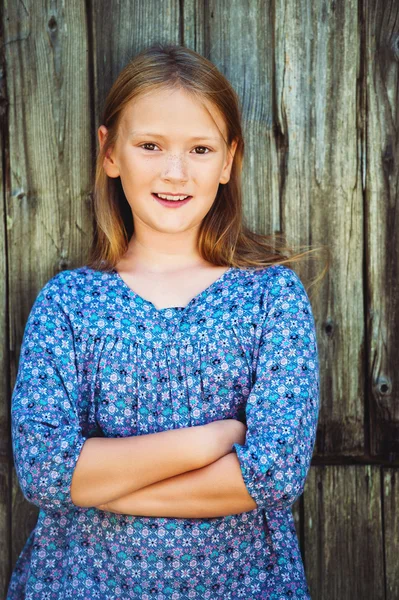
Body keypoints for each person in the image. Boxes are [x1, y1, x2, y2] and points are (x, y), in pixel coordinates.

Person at [7, 43, 322, 599]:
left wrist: (96, 485)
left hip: (243, 584)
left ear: (228, 160)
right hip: (83, 584)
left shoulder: (270, 297)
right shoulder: (69, 304)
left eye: (199, 149)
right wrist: (211, 441)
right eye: (150, 145)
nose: (175, 172)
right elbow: (41, 469)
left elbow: (273, 472)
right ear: (109, 152)